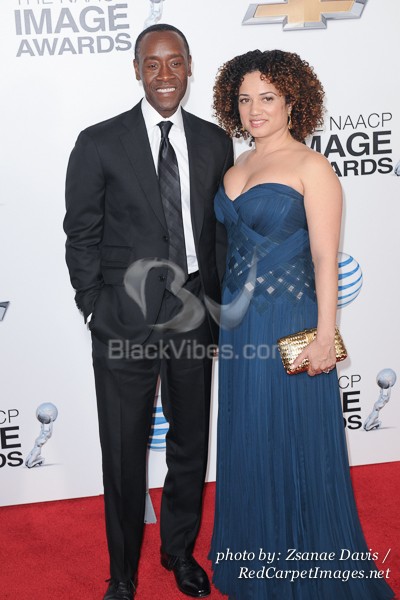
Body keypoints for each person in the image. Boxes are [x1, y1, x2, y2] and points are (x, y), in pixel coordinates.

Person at [209, 50, 395, 599]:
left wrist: (324, 335)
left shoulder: (313, 167)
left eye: (267, 97)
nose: (255, 109)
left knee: (293, 438)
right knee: (248, 437)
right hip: (239, 326)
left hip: (290, 321)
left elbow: (323, 259)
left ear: (293, 102)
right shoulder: (235, 168)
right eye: (245, 99)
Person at [64, 24, 233, 600]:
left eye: (175, 62)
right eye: (152, 64)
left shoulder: (214, 141)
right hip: (123, 317)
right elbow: (81, 233)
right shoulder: (99, 142)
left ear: (189, 67)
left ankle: (179, 552)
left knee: (190, 441)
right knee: (122, 448)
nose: (165, 75)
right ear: (136, 70)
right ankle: (123, 573)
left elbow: (216, 236)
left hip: (193, 312)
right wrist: (94, 307)